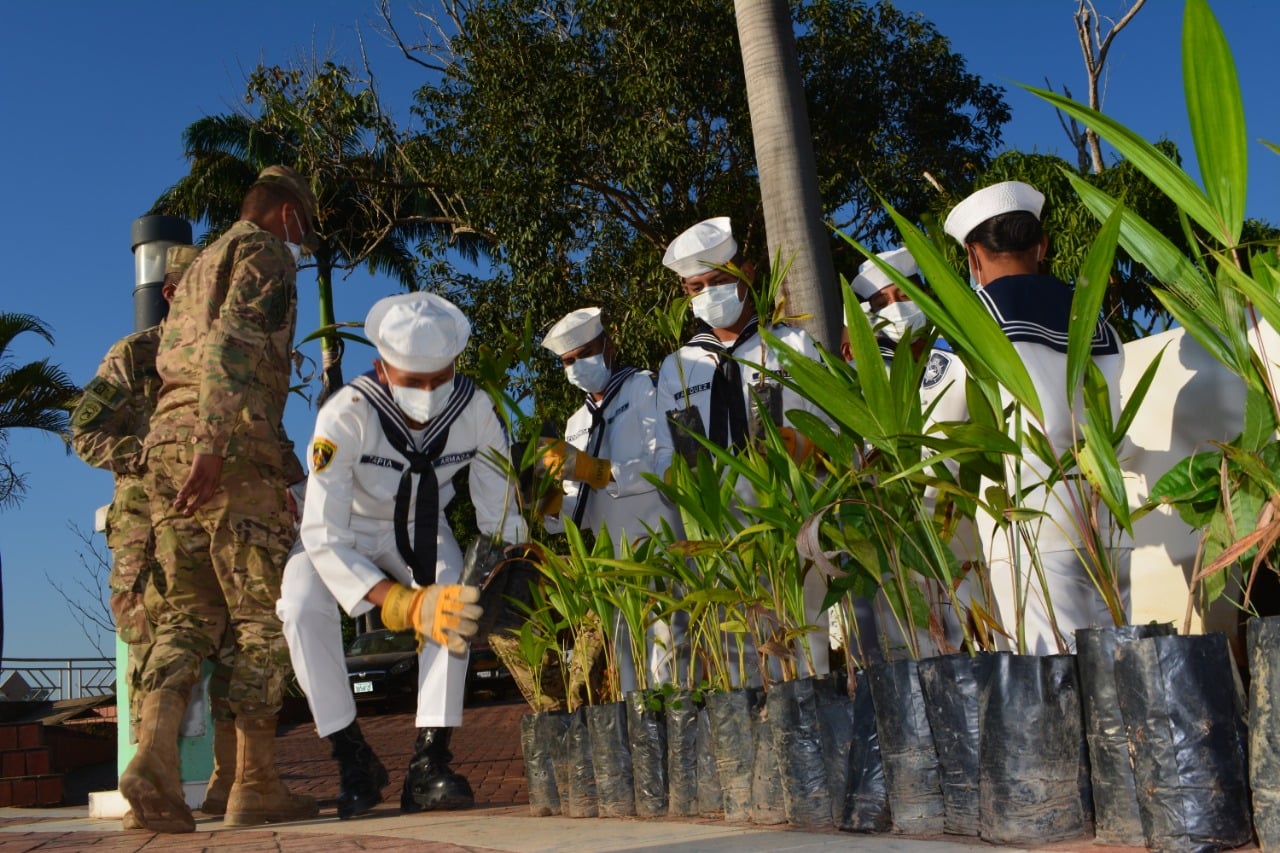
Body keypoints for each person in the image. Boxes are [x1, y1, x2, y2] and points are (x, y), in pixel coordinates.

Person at [121, 165, 318, 833]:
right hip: (227, 448)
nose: (302, 246)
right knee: (261, 621)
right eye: (305, 233)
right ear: (289, 216)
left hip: (169, 450)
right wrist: (213, 444)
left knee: (187, 615)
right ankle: (255, 781)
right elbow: (236, 344)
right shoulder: (262, 251)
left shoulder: (201, 265)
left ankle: (153, 757)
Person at [277, 291, 526, 819]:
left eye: (439, 378)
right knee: (299, 605)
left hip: (419, 525)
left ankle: (430, 760)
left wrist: (505, 570)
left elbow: (498, 509)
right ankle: (352, 756)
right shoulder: (346, 413)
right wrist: (403, 605)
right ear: (381, 366)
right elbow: (321, 533)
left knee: (455, 599)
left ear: (454, 366)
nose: (428, 394)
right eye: (413, 381)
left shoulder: (475, 410)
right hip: (344, 528)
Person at [943, 180, 1127, 655]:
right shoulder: (1092, 319)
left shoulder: (969, 321)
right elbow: (1116, 425)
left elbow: (935, 446)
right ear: (1042, 246)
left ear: (972, 255)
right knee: (1118, 672)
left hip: (1029, 524)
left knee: (1054, 677)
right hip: (1106, 515)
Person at [655, 216, 829, 682]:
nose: (708, 293)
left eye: (717, 281)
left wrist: (801, 445)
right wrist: (677, 477)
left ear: (746, 273)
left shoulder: (791, 344)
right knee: (737, 668)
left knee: (807, 654)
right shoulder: (678, 367)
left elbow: (832, 432)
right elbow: (664, 457)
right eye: (695, 287)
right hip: (720, 539)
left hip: (789, 528)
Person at [536, 307, 681, 692]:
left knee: (667, 662)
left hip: (658, 549)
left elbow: (663, 465)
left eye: (584, 354)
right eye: (568, 361)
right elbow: (578, 507)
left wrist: (599, 470)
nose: (577, 366)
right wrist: (548, 503)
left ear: (608, 345)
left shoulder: (647, 388)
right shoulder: (575, 424)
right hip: (609, 564)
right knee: (627, 668)